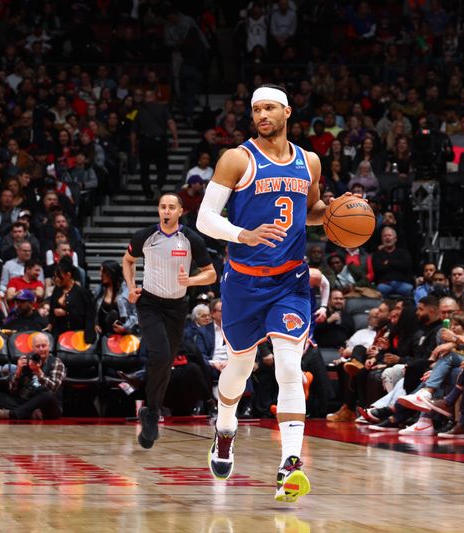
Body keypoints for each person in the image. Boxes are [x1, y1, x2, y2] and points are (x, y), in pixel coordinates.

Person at [196, 84, 340, 503]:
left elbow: (309, 213)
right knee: (238, 372)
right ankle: (225, 431)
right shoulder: (237, 158)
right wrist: (245, 233)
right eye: (256, 108)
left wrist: (333, 214)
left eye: (270, 108)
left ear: (287, 112)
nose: (261, 114)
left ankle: (290, 464)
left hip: (290, 281)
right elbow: (205, 218)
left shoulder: (308, 161)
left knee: (290, 367)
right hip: (243, 281)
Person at [122, 192, 216, 449]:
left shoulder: (190, 239)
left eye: (171, 207)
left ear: (180, 211)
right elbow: (127, 261)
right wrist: (131, 287)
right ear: (159, 211)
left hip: (177, 307)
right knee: (161, 355)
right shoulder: (145, 236)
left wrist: (192, 281)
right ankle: (152, 412)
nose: (166, 211)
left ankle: (150, 410)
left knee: (166, 361)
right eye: (162, 207)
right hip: (150, 304)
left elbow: (211, 274)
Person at [0, 332, 65, 420]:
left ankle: (12, 414)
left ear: (49, 346)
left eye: (44, 346)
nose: (41, 349)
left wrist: (38, 372)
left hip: (47, 406)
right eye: (38, 346)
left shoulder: (56, 362)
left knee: (48, 396)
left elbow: (53, 388)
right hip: (27, 401)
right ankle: (31, 414)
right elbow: (12, 390)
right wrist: (18, 371)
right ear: (33, 348)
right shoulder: (26, 361)